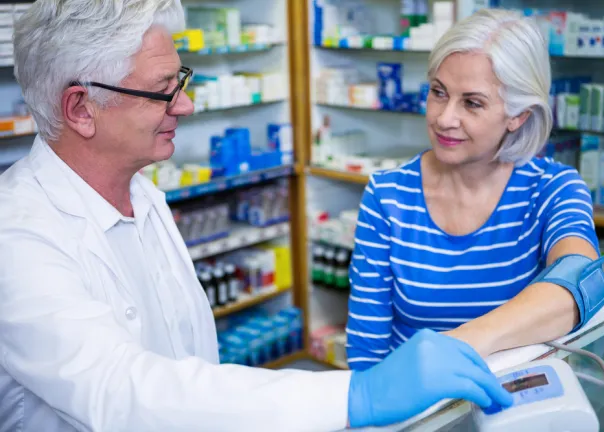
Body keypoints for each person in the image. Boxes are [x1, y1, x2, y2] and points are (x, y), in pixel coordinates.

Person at [0, 1, 513, 431]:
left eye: (181, 80)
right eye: (163, 89)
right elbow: (121, 388)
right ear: (82, 109)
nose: (186, 105)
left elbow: (190, 371)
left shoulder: (143, 194)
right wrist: (356, 395)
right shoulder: (18, 236)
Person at [346, 9, 604, 371]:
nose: (444, 118)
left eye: (472, 102)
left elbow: (582, 281)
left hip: (515, 400)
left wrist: (456, 346)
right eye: (439, 93)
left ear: (518, 115)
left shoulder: (552, 189)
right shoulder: (387, 196)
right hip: (414, 405)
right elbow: (366, 352)